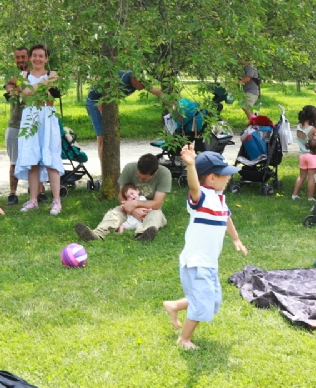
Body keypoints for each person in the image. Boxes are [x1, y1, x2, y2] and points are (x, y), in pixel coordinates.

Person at [163, 147, 247, 350]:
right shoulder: (200, 199)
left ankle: (174, 305)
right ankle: (184, 339)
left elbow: (226, 218)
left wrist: (236, 240)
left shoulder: (219, 199)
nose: (228, 179)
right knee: (203, 303)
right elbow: (193, 186)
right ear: (211, 178)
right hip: (196, 263)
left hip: (209, 263)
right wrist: (190, 165)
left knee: (213, 301)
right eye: (225, 175)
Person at [74, 152, 171, 242]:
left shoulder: (164, 174)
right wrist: (132, 210)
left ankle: (142, 235)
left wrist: (135, 203)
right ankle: (97, 234)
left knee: (156, 216)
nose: (140, 180)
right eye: (138, 176)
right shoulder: (129, 168)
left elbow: (157, 203)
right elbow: (121, 196)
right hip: (127, 207)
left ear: (154, 173)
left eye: (144, 179)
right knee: (115, 213)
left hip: (150, 210)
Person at [15, 44, 64, 215]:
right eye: (34, 55)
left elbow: (31, 91)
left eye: (41, 56)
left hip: (47, 116)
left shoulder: (53, 74)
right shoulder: (23, 75)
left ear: (46, 58)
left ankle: (56, 200)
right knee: (33, 160)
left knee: (50, 156)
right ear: (30, 57)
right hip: (30, 117)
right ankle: (33, 199)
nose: (37, 58)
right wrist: (43, 86)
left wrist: (33, 89)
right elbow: (25, 93)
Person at [85, 69, 164, 158]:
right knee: (103, 138)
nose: (144, 86)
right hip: (95, 103)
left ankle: (106, 169)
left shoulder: (138, 80)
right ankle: (105, 170)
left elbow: (156, 92)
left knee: (106, 138)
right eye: (143, 84)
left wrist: (173, 104)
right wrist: (109, 120)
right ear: (134, 79)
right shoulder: (120, 83)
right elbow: (101, 101)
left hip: (105, 103)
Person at [3, 46, 30, 205]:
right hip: (15, 123)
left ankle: (37, 192)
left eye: (23, 57)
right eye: (17, 57)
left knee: (36, 161)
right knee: (14, 161)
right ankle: (12, 194)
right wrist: (25, 88)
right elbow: (13, 96)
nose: (20, 60)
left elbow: (31, 96)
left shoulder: (35, 76)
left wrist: (20, 85)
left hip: (32, 123)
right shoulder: (9, 77)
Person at [291, 105, 316, 201]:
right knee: (311, 177)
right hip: (312, 155)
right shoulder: (313, 129)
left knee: (301, 176)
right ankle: (310, 197)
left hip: (302, 155)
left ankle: (294, 195)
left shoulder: (299, 126)